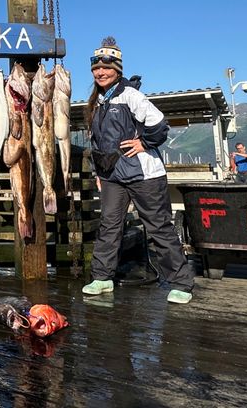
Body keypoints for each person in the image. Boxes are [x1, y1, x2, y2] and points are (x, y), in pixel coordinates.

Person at [82, 37, 195, 304]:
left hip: (144, 174)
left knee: (158, 227)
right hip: (112, 176)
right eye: (96, 68)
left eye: (106, 68)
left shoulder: (130, 95)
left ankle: (181, 283)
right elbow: (98, 143)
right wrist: (99, 173)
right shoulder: (97, 103)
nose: (101, 72)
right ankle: (102, 277)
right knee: (109, 225)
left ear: (117, 69)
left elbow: (159, 125)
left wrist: (143, 143)